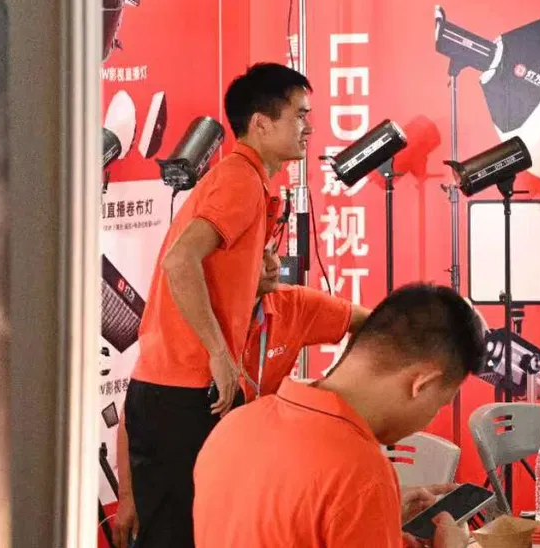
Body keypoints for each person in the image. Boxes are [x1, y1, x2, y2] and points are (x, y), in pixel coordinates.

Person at [125, 63, 312, 548]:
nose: (308, 127)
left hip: (172, 389)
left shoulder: (244, 181)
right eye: (299, 115)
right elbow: (180, 261)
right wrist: (218, 353)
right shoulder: (239, 180)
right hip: (184, 392)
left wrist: (253, 281)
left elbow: (203, 267)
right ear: (261, 123)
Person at [193, 283, 486, 547]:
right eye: (440, 403)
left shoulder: (235, 425)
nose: (431, 417)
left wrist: (377, 523)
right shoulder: (360, 472)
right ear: (421, 383)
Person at [112, 248, 370, 547]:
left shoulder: (295, 305)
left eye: (273, 252)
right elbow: (139, 408)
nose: (274, 265)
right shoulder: (191, 314)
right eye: (259, 255)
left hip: (251, 479)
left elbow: (374, 324)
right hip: (183, 472)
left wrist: (335, 385)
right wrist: (128, 497)